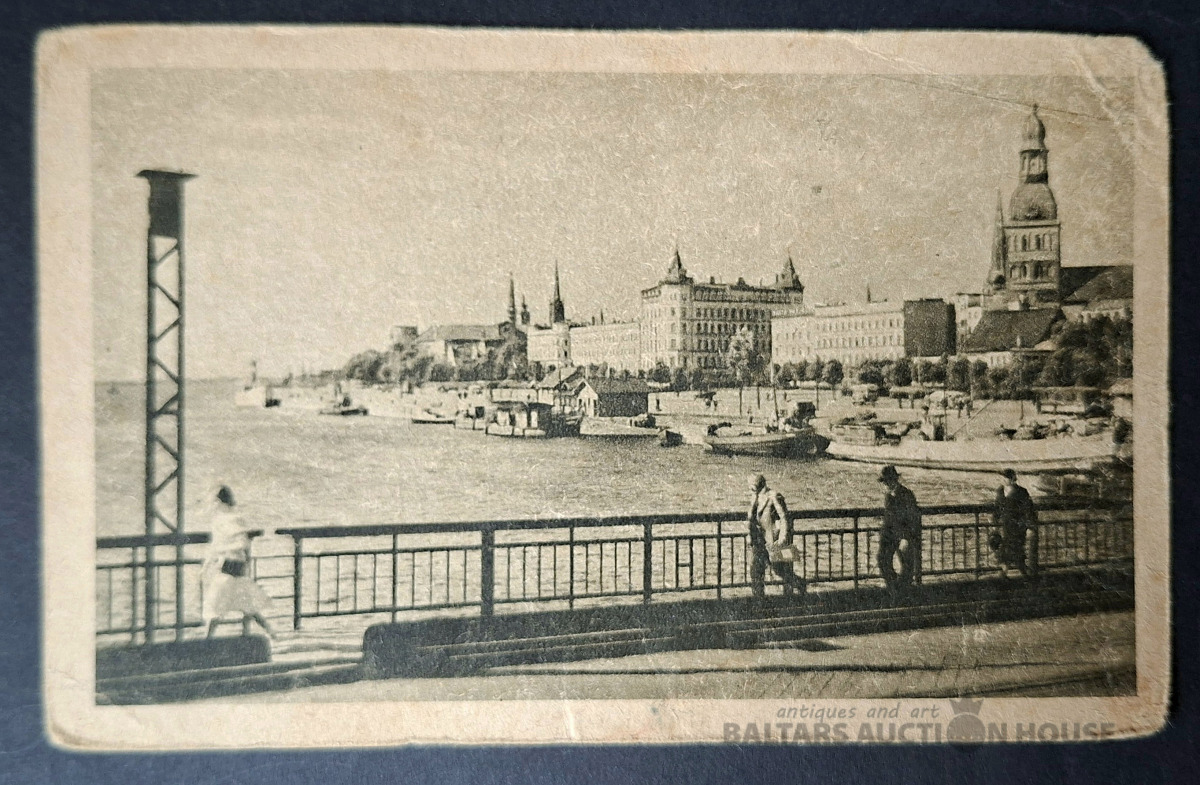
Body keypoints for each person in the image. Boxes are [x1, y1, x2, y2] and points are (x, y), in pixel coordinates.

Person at [201, 485, 275, 639]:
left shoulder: (224, 520)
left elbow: (220, 545)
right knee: (246, 606)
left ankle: (208, 639)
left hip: (229, 567)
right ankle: (270, 633)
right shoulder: (233, 519)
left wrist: (209, 563)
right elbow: (240, 544)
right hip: (236, 567)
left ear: (219, 502)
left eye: (215, 502)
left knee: (217, 605)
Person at [747, 474, 807, 599]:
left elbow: (784, 518)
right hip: (758, 541)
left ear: (760, 484)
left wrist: (782, 539)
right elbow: (752, 518)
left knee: (779, 569)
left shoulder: (774, 496)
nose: (751, 489)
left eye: (753, 485)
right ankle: (759, 600)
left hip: (773, 540)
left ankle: (799, 584)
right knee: (755, 571)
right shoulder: (754, 498)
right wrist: (750, 536)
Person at [877, 465, 922, 590]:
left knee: (906, 564)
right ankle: (894, 586)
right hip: (890, 535)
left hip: (902, 535)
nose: (885, 484)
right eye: (884, 482)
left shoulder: (906, 494)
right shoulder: (889, 496)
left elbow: (912, 518)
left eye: (886, 481)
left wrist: (905, 538)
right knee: (882, 559)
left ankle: (902, 588)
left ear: (893, 480)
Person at [991, 468, 1038, 578]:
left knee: (1015, 549)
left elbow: (1028, 510)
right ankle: (1020, 574)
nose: (1003, 480)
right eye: (1002, 478)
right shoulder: (1000, 491)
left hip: (1018, 526)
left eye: (1006, 478)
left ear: (1012, 479)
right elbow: (997, 508)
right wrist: (994, 523)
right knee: (1007, 549)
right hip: (1005, 526)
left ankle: (1008, 573)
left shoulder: (1021, 492)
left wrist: (1030, 527)